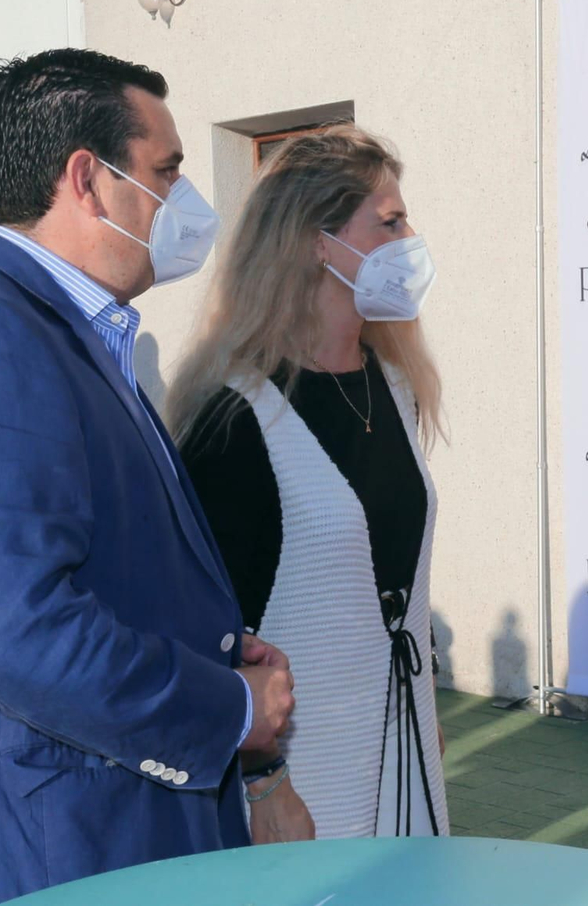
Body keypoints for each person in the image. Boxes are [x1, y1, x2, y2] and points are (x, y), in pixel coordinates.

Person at [0, 48, 295, 906]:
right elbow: (16, 629)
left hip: (104, 830)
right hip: (45, 851)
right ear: (88, 180)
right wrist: (227, 709)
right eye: (167, 170)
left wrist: (218, 656)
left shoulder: (71, 331)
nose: (186, 200)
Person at [170, 125, 449, 841]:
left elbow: (392, 571)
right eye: (389, 221)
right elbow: (214, 636)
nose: (411, 237)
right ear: (318, 241)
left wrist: (427, 704)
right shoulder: (237, 416)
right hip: (302, 784)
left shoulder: (393, 384)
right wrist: (265, 781)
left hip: (403, 764)